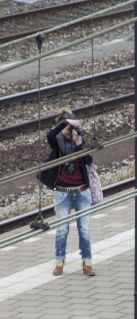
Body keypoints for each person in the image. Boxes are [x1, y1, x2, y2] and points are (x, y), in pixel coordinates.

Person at [43, 107, 95, 277]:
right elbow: (50, 136)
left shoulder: (79, 139)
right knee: (62, 229)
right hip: (63, 191)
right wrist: (65, 123)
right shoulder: (56, 140)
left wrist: (79, 143)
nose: (70, 131)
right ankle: (59, 261)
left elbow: (88, 160)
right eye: (68, 128)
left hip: (81, 191)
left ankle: (87, 262)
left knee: (84, 229)